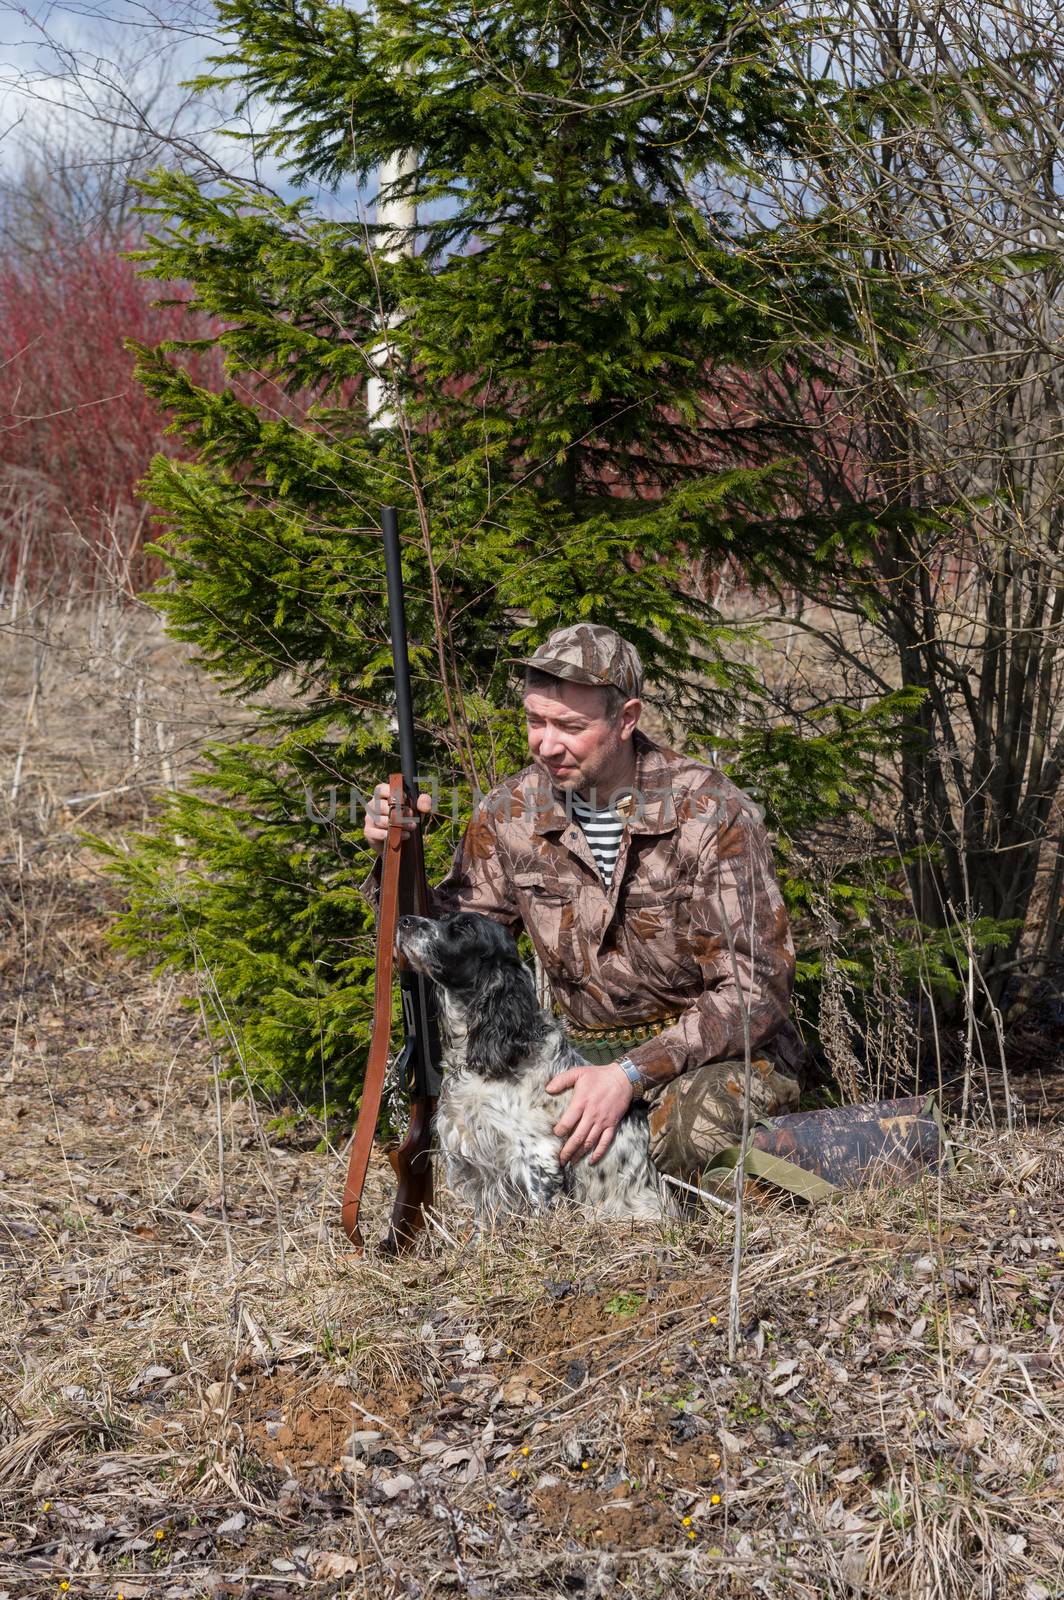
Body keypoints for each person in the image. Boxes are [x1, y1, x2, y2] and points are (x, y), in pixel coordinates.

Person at [361, 623, 800, 1182]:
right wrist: (395, 858)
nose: (546, 744)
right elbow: (450, 943)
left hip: (718, 1061)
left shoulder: (712, 812)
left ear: (627, 718)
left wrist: (629, 1074)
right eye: (534, 721)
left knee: (678, 1138)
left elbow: (754, 991)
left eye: (570, 726)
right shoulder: (507, 814)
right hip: (577, 1064)